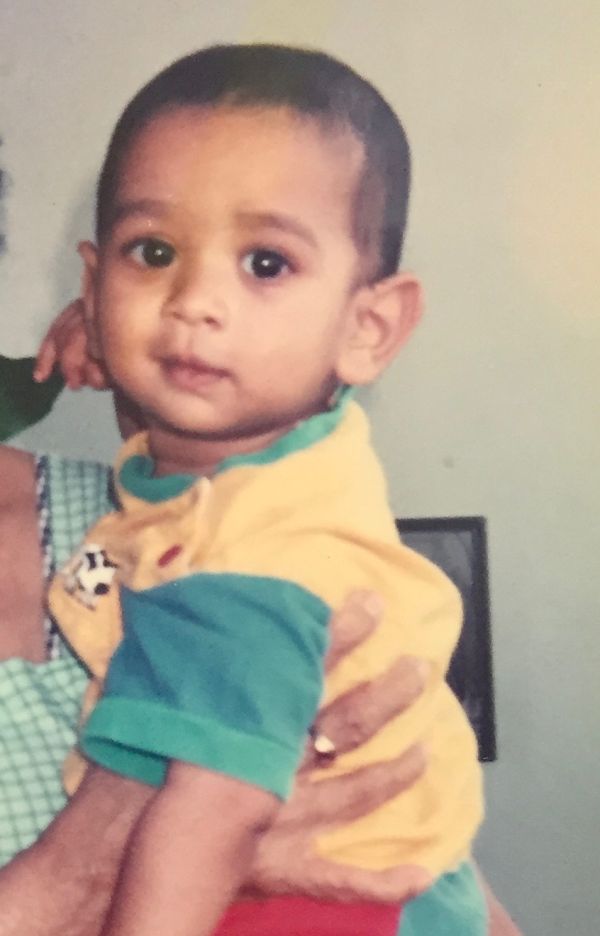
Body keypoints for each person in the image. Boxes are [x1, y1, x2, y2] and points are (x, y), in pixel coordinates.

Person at [37, 42, 486, 936]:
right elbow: (167, 473)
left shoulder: (255, 554)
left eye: (266, 265)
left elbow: (213, 816)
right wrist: (112, 342)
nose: (193, 301)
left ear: (368, 327)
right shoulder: (264, 465)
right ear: (92, 286)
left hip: (320, 906)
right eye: (153, 251)